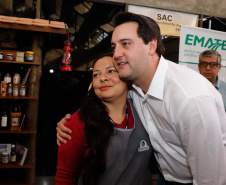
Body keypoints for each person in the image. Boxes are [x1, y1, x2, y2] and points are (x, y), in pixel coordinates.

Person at [56, 12, 226, 185]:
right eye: (114, 46)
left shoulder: (189, 99)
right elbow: (103, 89)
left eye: (126, 44)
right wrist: (71, 123)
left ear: (151, 46)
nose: (116, 54)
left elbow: (211, 178)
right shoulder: (134, 86)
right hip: (164, 178)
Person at [55, 53, 152, 185]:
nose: (102, 78)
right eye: (96, 75)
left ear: (126, 76)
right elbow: (65, 177)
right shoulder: (76, 123)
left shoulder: (145, 109)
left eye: (111, 71)